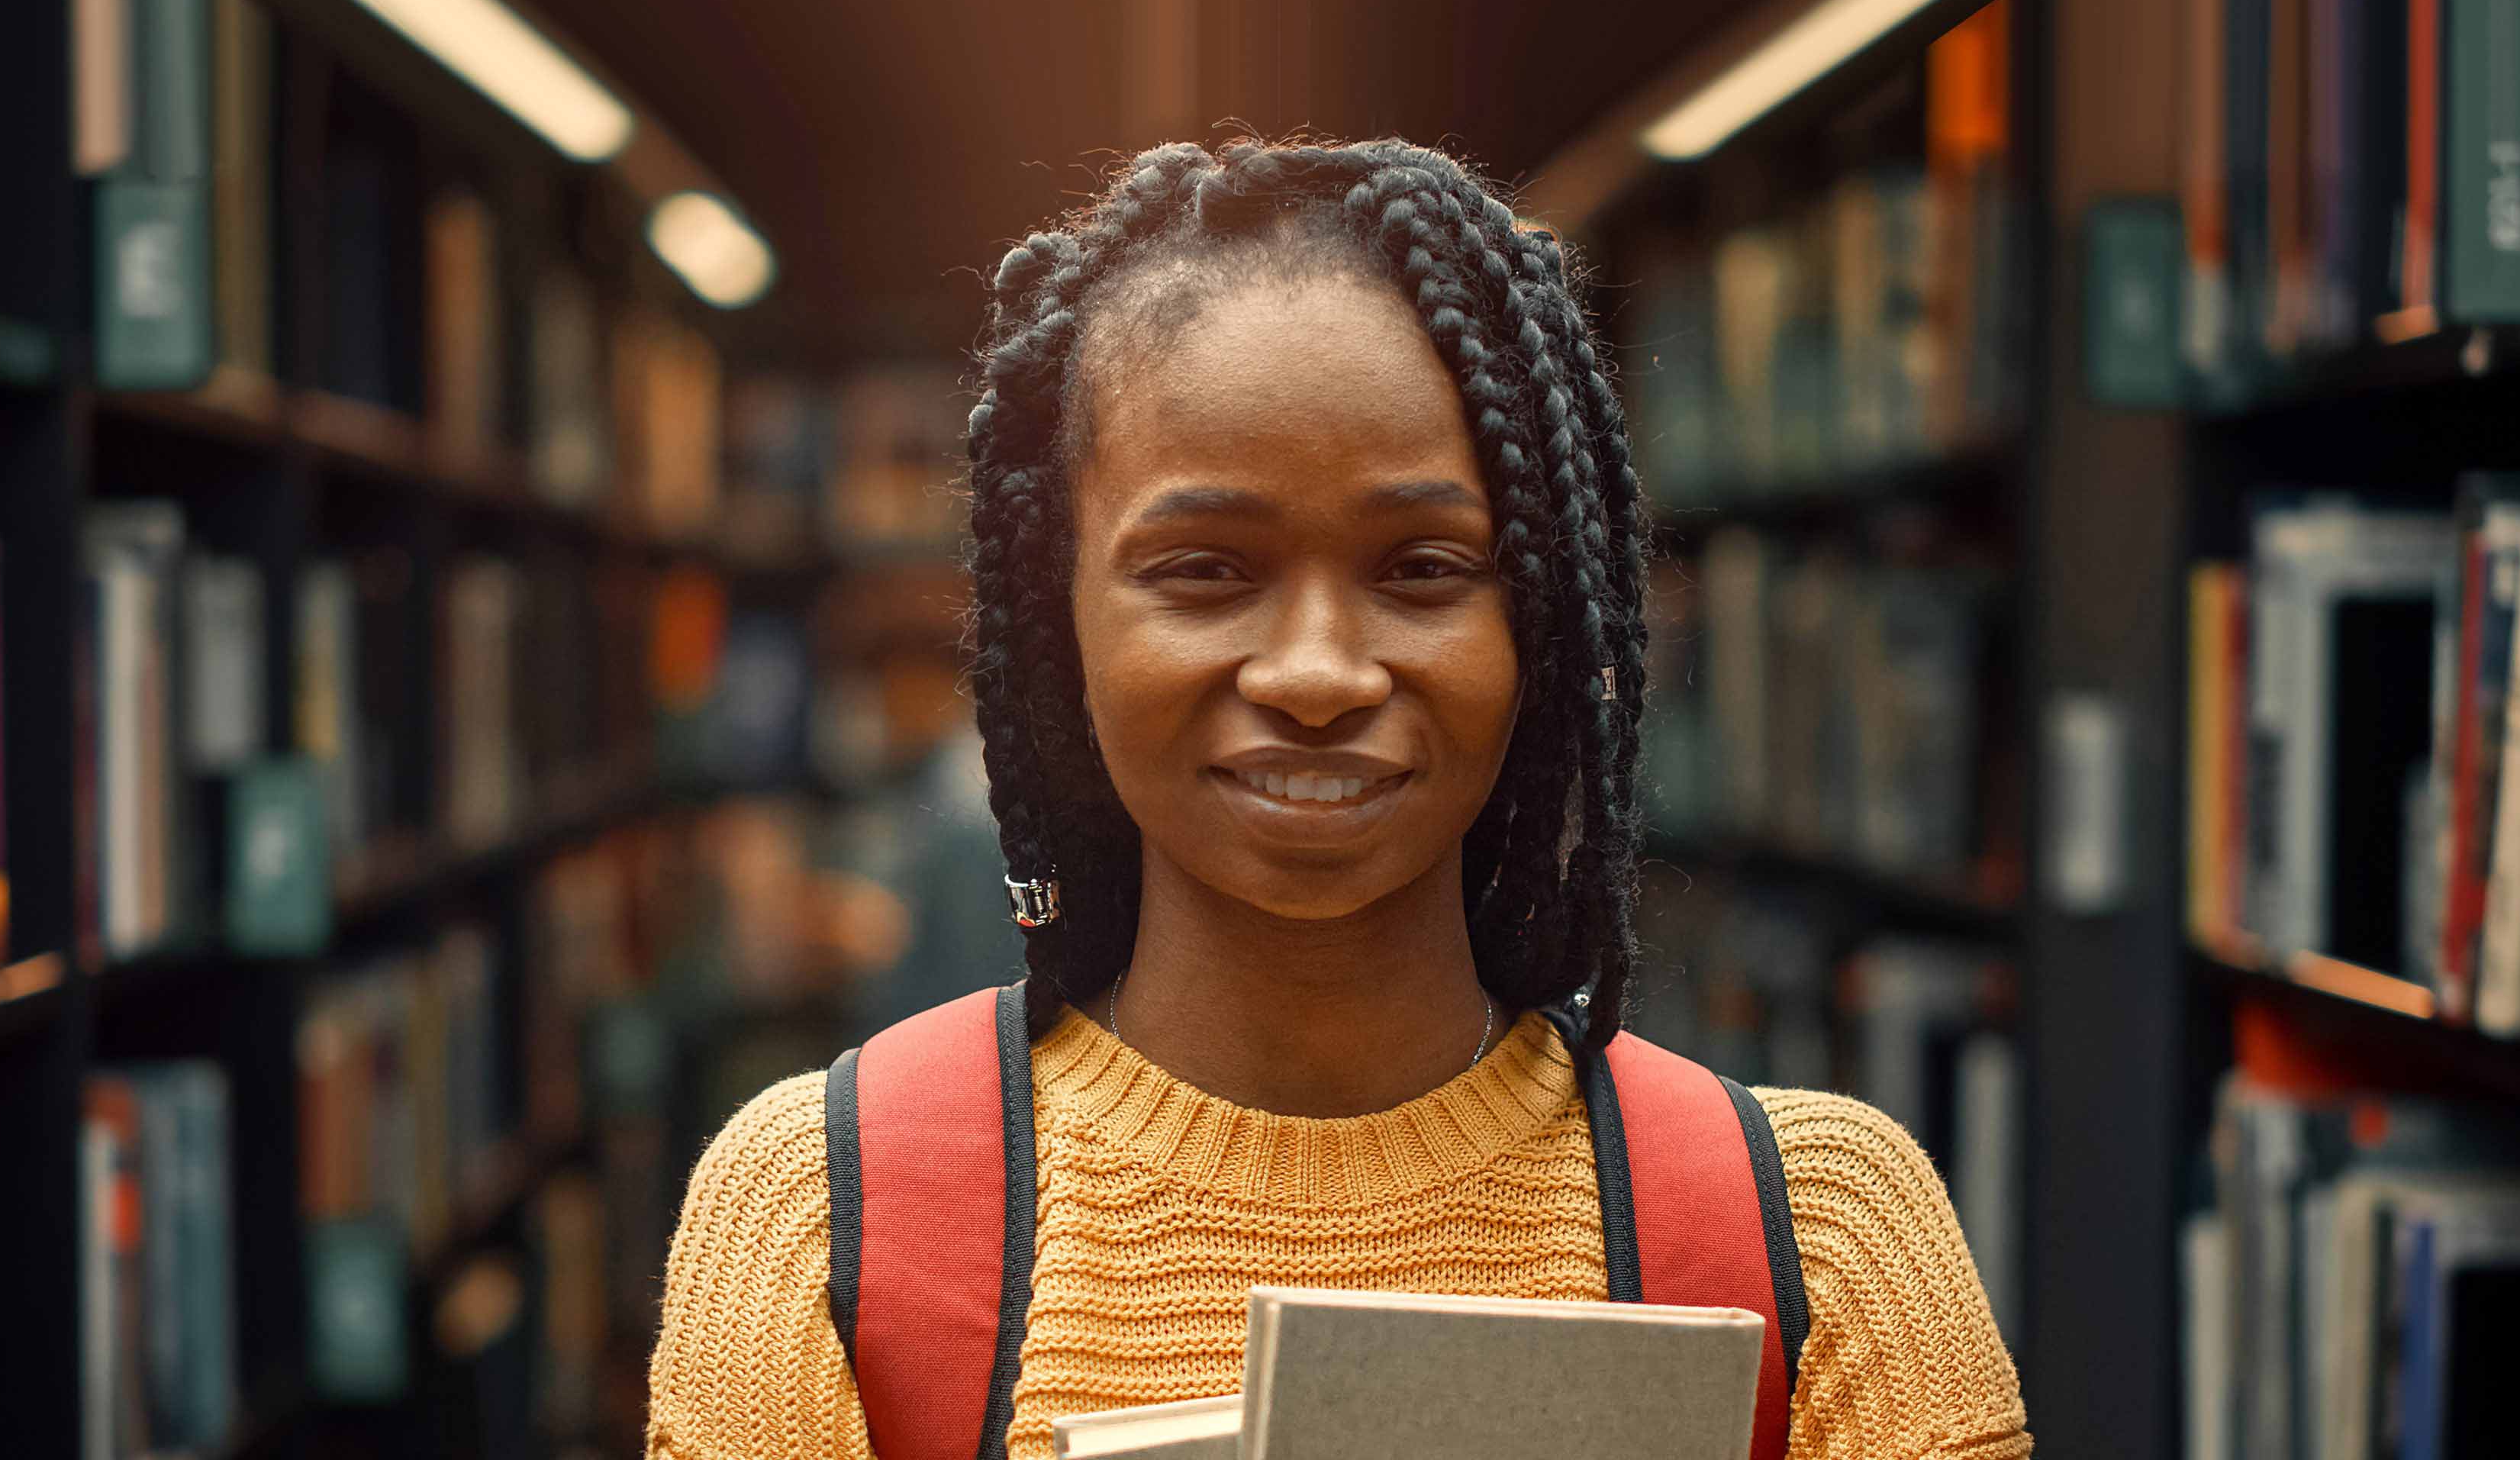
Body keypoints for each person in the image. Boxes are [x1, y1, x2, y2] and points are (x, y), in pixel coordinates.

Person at [645, 137, 2031, 1460]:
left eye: (1426, 568)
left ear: (1544, 621)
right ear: (1054, 619)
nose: (1317, 672)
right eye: (1203, 571)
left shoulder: (1826, 1242)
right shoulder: (820, 1220)